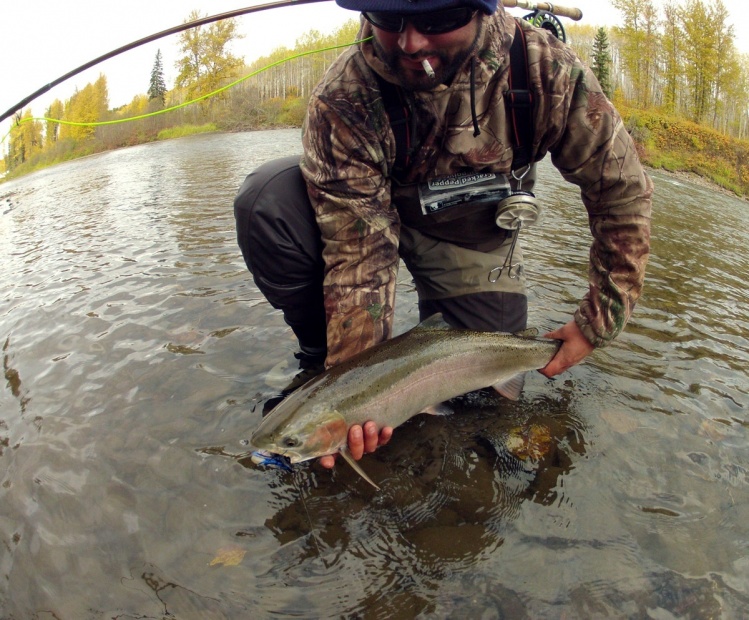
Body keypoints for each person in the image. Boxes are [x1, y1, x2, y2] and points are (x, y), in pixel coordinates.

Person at [234, 0, 652, 469]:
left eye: (436, 20)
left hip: (467, 235)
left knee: (489, 385)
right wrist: (352, 386)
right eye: (389, 20)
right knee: (268, 202)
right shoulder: (344, 96)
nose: (411, 43)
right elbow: (358, 253)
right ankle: (317, 359)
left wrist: (599, 320)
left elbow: (622, 192)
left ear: (479, 9)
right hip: (366, 221)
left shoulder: (543, 68)